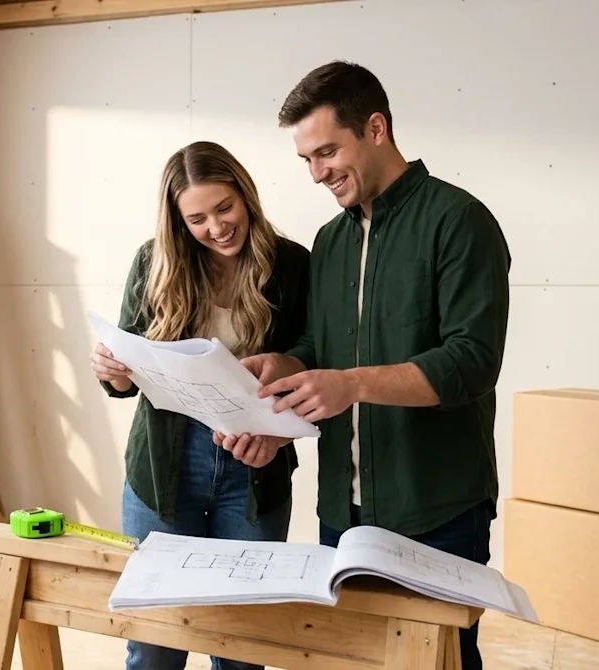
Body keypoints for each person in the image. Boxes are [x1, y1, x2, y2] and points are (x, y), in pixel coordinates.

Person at [222, 61, 512, 670]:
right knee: (350, 661)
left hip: (436, 508)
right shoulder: (330, 241)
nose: (317, 173)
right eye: (306, 159)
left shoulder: (459, 222)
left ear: (376, 129)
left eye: (328, 151)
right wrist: (282, 365)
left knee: (441, 662)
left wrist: (351, 385)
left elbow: (471, 361)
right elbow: (320, 349)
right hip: (342, 512)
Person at [90, 140, 311, 670]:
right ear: (178, 222)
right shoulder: (154, 261)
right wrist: (112, 373)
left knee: (242, 644)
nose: (216, 228)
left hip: (255, 465)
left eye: (224, 208)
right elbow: (126, 371)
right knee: (155, 640)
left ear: (246, 195)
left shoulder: (293, 263)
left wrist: (285, 367)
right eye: (197, 219)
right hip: (164, 464)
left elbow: (316, 353)